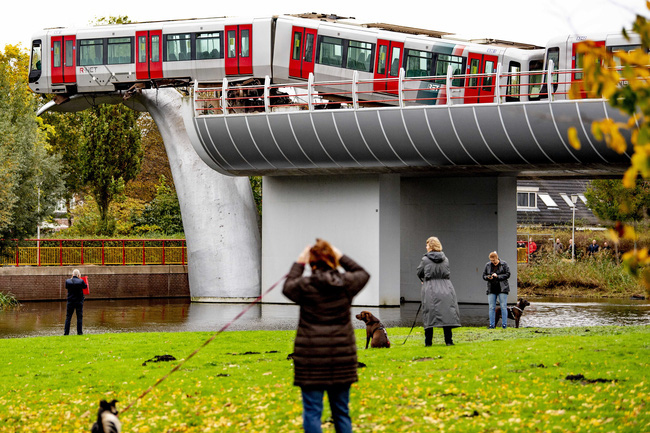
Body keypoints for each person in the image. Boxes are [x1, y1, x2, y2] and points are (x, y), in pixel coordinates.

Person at [283, 239, 370, 433]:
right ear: (333, 260)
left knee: (312, 412)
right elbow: (363, 274)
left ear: (312, 263)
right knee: (341, 412)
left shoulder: (304, 285)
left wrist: (299, 263)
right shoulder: (345, 284)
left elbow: (287, 287)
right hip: (341, 358)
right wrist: (341, 257)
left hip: (310, 359)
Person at [416, 236, 461, 346]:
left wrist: (425, 279)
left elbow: (419, 272)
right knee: (447, 314)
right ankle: (449, 341)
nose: (426, 247)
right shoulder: (446, 259)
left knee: (429, 314)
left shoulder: (425, 260)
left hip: (430, 288)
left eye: (427, 245)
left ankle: (428, 342)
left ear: (430, 246)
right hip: (446, 287)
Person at [482, 251, 510, 329]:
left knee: (503, 306)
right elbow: (483, 275)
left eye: (494, 260)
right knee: (491, 307)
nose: (492, 262)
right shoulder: (487, 265)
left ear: (497, 258)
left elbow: (508, 274)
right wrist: (488, 277)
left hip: (502, 288)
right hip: (491, 288)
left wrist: (498, 276)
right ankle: (492, 325)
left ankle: (504, 325)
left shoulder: (504, 264)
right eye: (491, 260)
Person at [64, 269, 87, 335]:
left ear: (72, 275)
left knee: (68, 317)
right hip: (79, 301)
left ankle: (66, 332)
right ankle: (79, 332)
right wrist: (80, 278)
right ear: (78, 275)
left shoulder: (68, 281)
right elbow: (85, 287)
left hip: (70, 301)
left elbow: (66, 287)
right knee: (79, 317)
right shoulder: (81, 281)